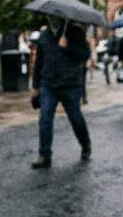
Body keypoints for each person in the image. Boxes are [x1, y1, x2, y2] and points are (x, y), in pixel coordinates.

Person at [30, 15, 92, 169]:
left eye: (54, 16)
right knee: (45, 120)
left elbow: (85, 54)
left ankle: (85, 144)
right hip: (48, 85)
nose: (50, 18)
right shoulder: (44, 36)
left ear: (61, 17)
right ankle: (44, 155)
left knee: (76, 118)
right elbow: (39, 62)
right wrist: (35, 84)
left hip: (69, 84)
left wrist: (68, 47)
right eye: (48, 15)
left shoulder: (75, 32)